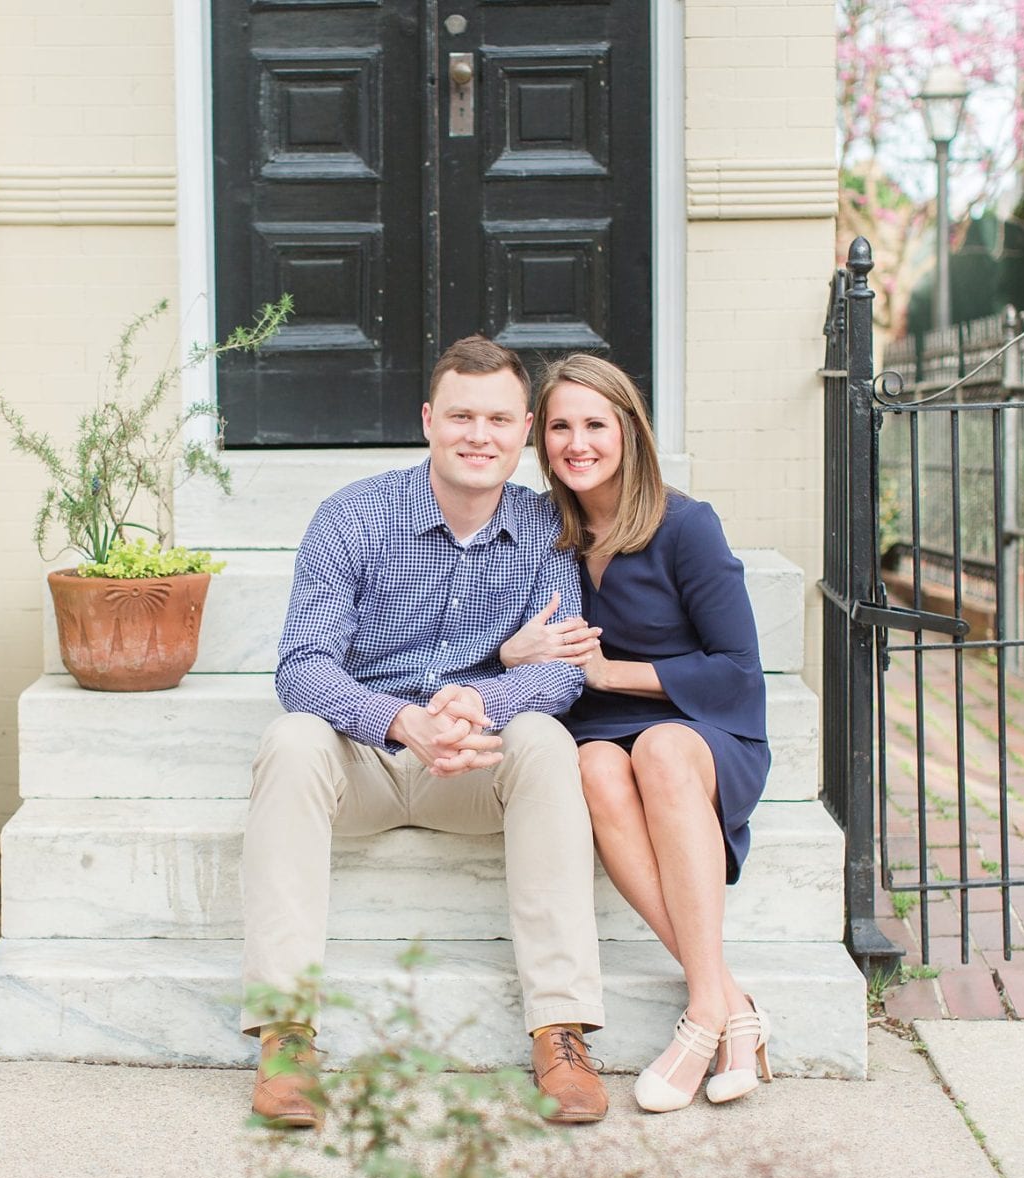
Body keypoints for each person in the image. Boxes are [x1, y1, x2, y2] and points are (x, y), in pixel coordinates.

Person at [240, 335, 610, 1130]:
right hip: (368, 758)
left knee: (547, 741)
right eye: (462, 415)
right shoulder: (352, 518)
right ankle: (286, 1034)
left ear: (524, 432)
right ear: (427, 421)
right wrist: (401, 719)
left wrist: (479, 703)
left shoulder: (549, 529)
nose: (480, 435)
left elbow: (562, 671)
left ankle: (561, 1029)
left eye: (500, 419)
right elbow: (302, 665)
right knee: (292, 740)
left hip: (472, 765)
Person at [500, 352, 772, 1114]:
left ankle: (702, 1015)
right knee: (589, 765)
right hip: (600, 736)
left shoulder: (687, 526)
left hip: (702, 729)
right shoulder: (539, 532)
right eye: (560, 425)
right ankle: (729, 997)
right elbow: (499, 635)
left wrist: (616, 674)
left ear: (628, 430)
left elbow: (739, 672)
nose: (576, 442)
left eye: (594, 423)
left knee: (657, 748)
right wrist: (511, 652)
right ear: (542, 438)